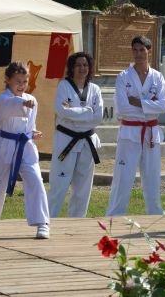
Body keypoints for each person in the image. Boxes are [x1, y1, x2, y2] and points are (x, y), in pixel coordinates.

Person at [0, 62, 50, 239]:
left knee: (35, 179)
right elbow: (12, 106)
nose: (22, 85)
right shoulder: (3, 99)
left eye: (25, 81)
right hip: (6, 144)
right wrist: (24, 101)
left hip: (26, 146)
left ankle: (42, 223)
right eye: (17, 81)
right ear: (7, 80)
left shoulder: (32, 100)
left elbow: (29, 124)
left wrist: (33, 133)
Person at [106, 35, 165, 216]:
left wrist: (139, 102)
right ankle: (115, 214)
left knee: (152, 176)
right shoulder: (123, 77)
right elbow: (123, 108)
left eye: (142, 50)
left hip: (151, 132)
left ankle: (155, 213)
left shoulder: (157, 77)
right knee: (123, 176)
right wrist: (150, 105)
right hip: (130, 132)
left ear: (149, 51)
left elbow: (163, 106)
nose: (138, 54)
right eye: (135, 50)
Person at [47, 52, 103, 218]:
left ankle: (77, 221)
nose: (82, 68)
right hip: (66, 140)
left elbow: (98, 116)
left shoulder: (95, 89)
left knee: (83, 187)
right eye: (78, 65)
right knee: (59, 184)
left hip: (87, 141)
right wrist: (87, 111)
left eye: (85, 65)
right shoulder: (63, 86)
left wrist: (73, 112)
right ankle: (49, 220)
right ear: (71, 67)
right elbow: (61, 110)